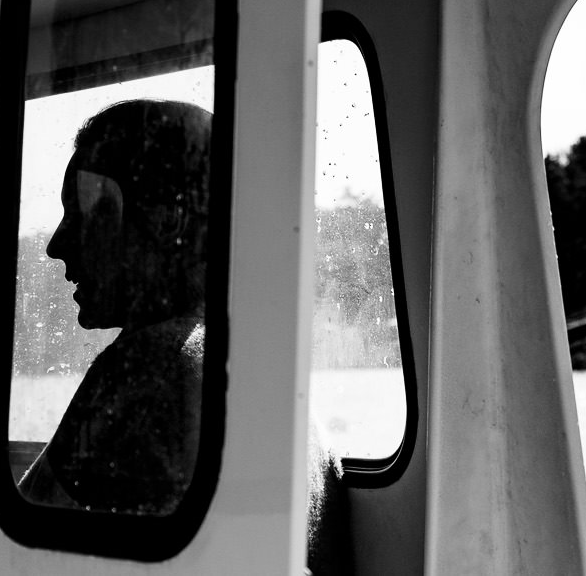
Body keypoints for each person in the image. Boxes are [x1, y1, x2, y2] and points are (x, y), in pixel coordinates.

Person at [19, 98, 350, 573]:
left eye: (86, 211)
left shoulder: (149, 364)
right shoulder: (263, 367)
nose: (56, 243)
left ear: (169, 222)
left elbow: (8, 549)